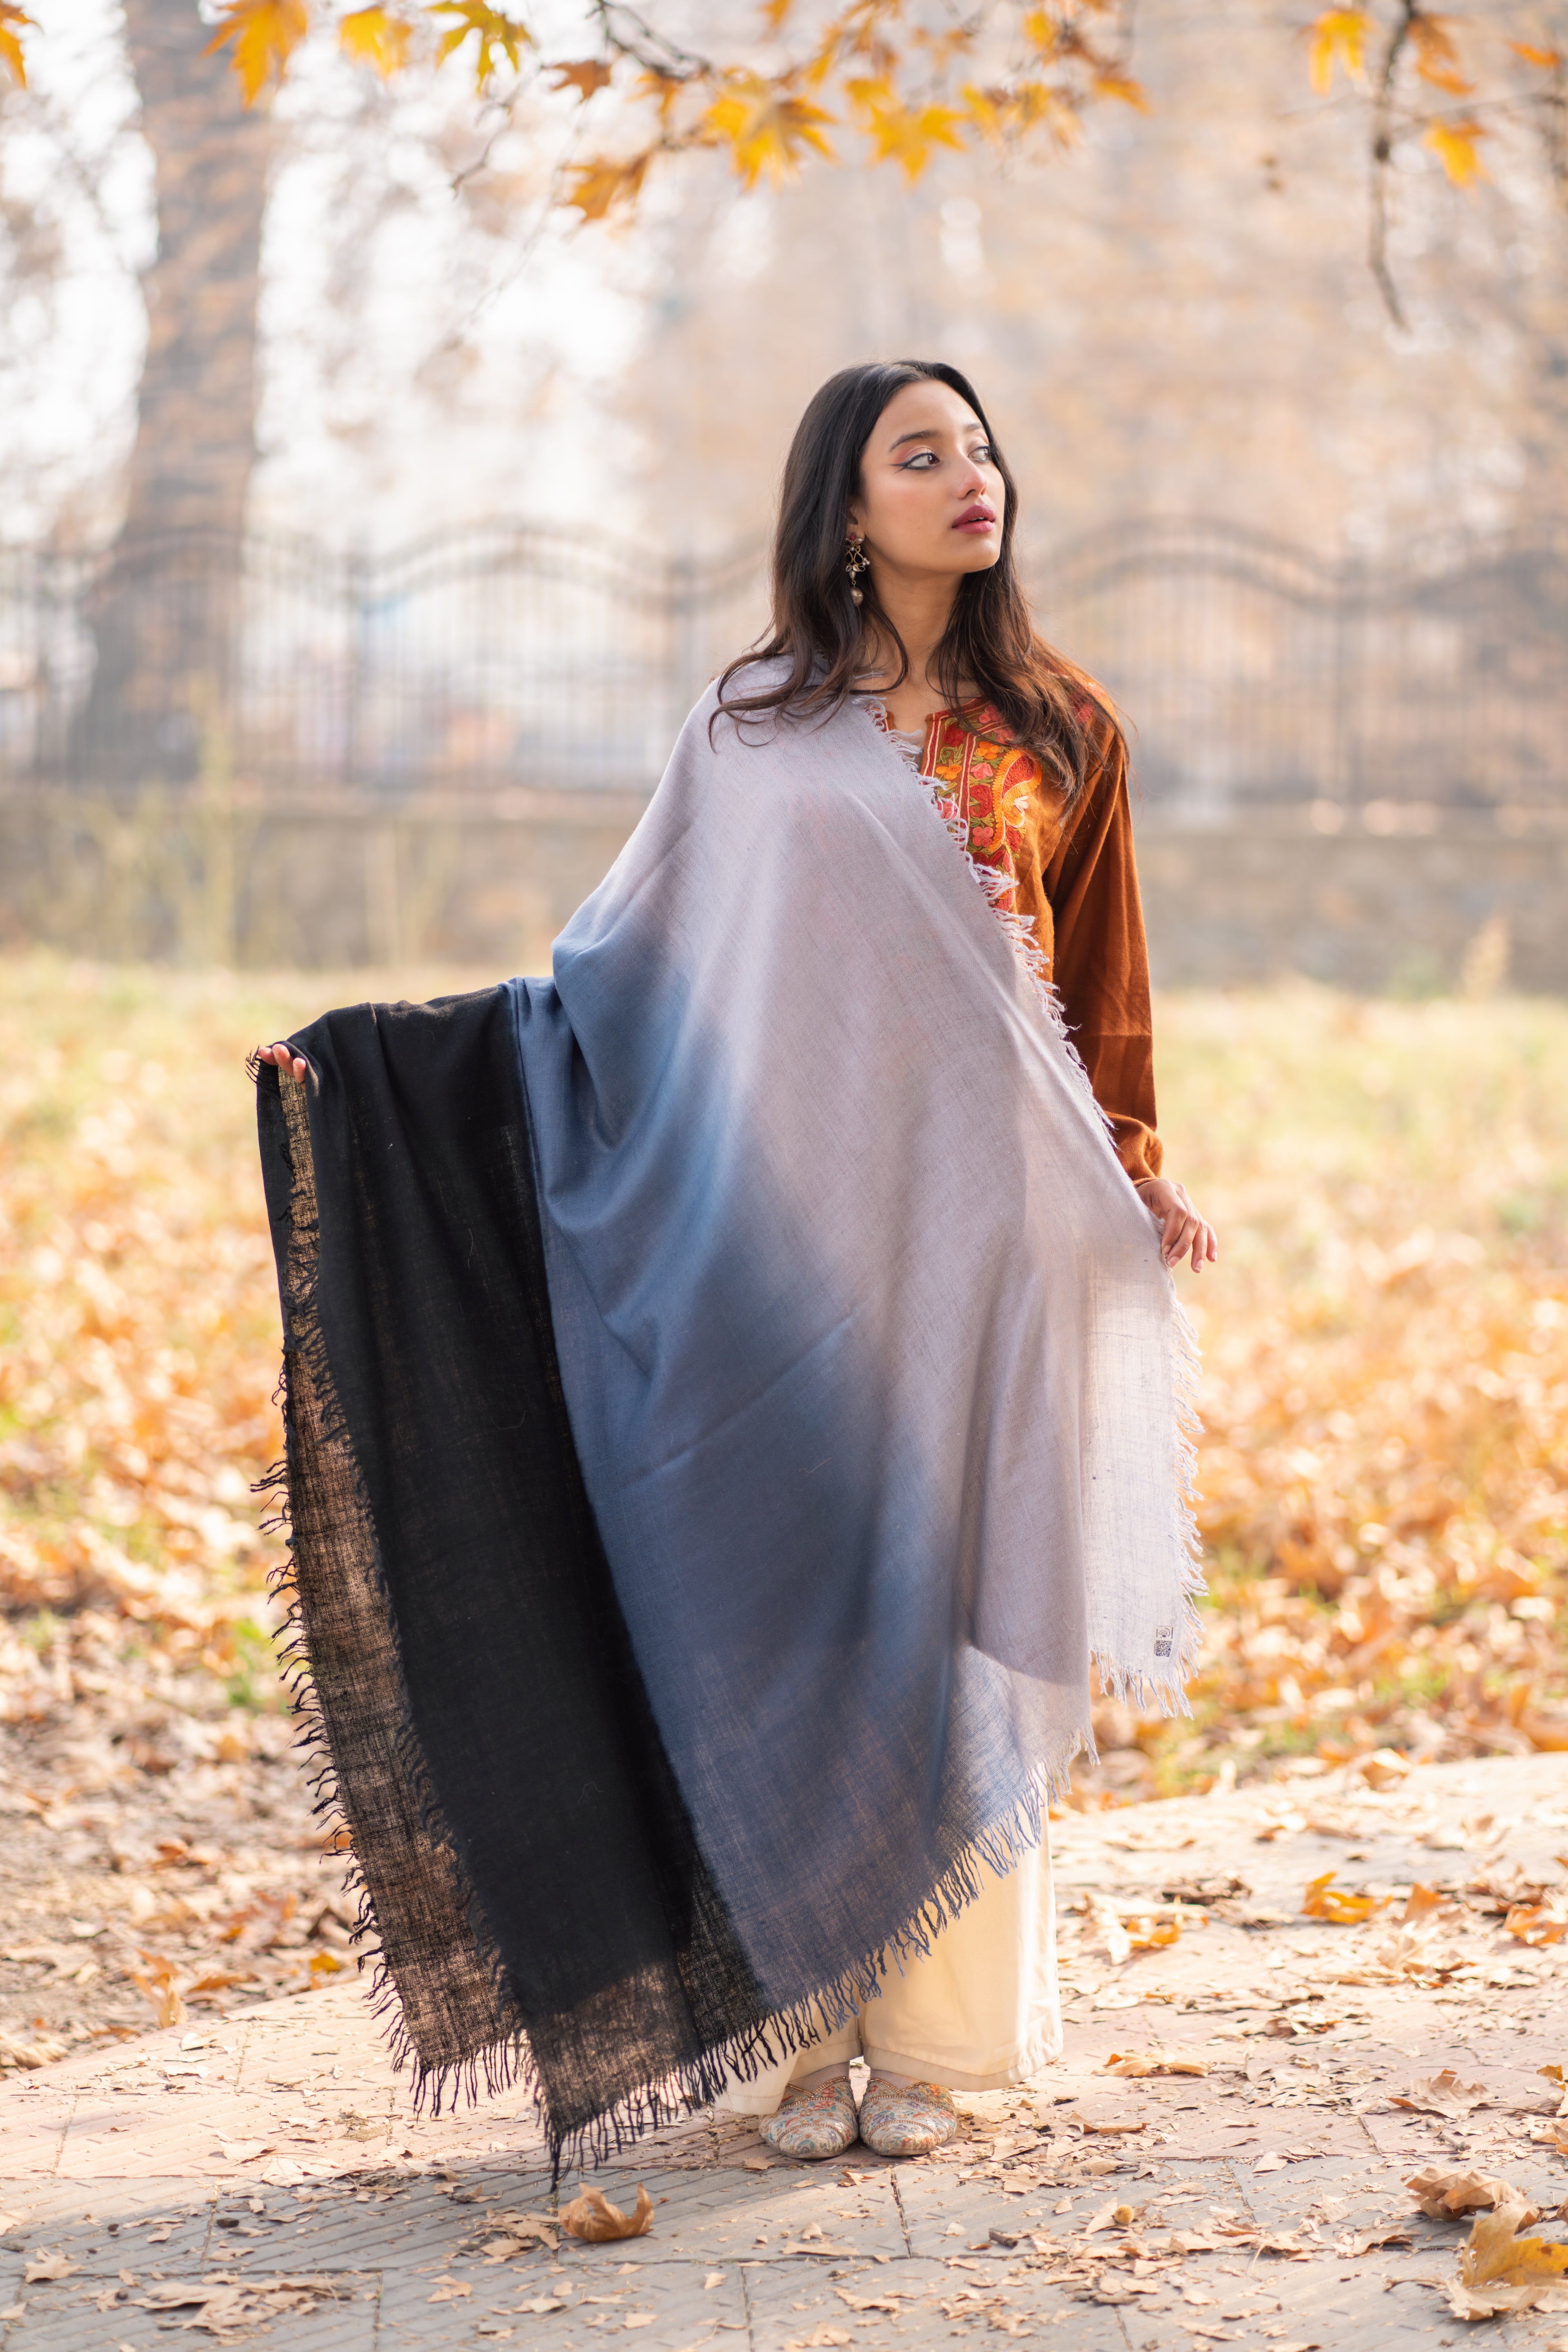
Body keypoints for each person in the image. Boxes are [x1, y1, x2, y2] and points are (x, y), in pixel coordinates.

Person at [255, 361, 1214, 2176]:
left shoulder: (1062, 728)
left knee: (948, 1623)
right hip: (775, 1248)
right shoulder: (754, 729)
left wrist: (1139, 1176)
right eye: (919, 454)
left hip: (984, 1247)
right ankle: (792, 2032)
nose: (969, 475)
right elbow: (617, 979)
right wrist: (387, 1062)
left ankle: (935, 2050)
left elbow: (1102, 1005)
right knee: (797, 1603)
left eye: (982, 444)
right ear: (845, 511)